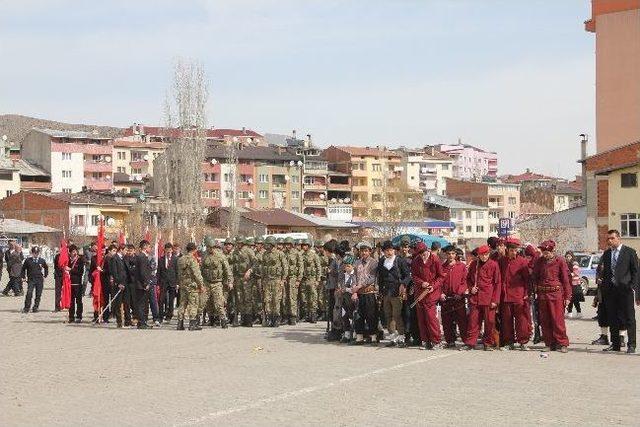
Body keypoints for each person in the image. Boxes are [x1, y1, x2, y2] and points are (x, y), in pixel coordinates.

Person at [600, 230, 638, 354]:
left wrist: (633, 288)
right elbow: (605, 273)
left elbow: (636, 272)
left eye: (612, 238)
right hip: (610, 291)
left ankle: (631, 345)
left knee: (629, 318)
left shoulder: (630, 252)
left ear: (618, 238)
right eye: (608, 239)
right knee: (612, 318)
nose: (610, 241)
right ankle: (615, 344)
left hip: (625, 290)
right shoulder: (606, 254)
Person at [531, 240, 571, 353]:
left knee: (558, 320)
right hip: (543, 295)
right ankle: (549, 343)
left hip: (556, 294)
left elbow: (566, 280)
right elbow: (534, 276)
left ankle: (562, 343)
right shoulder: (539, 261)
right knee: (545, 320)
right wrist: (535, 286)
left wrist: (567, 297)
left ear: (553, 251)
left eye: (547, 252)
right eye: (543, 252)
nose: (545, 254)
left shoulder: (560, 261)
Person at [461, 245, 501, 351]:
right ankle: (470, 343)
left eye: (486, 254)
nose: (484, 257)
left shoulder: (494, 265)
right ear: (478, 255)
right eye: (482, 255)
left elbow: (497, 284)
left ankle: (488, 343)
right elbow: (468, 279)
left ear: (489, 254)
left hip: (489, 298)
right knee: (473, 321)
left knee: (489, 322)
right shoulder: (474, 264)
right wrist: (471, 288)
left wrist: (495, 300)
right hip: (475, 298)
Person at [498, 238, 532, 351]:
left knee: (521, 320)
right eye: (512, 250)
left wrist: (526, 293)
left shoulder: (522, 262)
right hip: (505, 296)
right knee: (506, 321)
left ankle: (523, 341)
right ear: (507, 250)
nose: (514, 252)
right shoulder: (502, 261)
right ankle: (509, 342)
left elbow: (527, 280)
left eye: (515, 250)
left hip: (519, 295)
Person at [377, 240, 410, 347]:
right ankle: (393, 337)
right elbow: (380, 278)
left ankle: (401, 336)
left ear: (394, 250)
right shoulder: (382, 262)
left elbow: (408, 276)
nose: (389, 252)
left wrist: (403, 284)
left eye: (391, 250)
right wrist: (380, 291)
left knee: (397, 315)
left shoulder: (400, 261)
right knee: (388, 315)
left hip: (397, 291)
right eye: (387, 250)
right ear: (384, 252)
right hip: (386, 292)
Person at [411, 241, 444, 350]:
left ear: (428, 250)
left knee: (431, 318)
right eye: (420, 253)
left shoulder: (435, 259)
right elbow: (414, 276)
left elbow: (441, 277)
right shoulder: (416, 260)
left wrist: (433, 286)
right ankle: (425, 341)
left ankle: (436, 341)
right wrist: (422, 283)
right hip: (420, 292)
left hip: (431, 293)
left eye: (423, 252)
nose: (422, 255)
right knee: (421, 318)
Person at [200, 237, 233, 328]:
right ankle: (208, 320)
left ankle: (223, 320)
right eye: (208, 247)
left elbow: (227, 270)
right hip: (206, 282)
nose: (209, 249)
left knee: (219, 303)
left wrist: (230, 282)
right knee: (204, 302)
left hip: (217, 283)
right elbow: (201, 270)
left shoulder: (220, 256)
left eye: (211, 247)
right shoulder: (204, 255)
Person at [440, 245, 468, 348]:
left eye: (452, 254)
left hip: (458, 298)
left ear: (455, 255)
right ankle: (450, 341)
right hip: (446, 299)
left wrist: (459, 293)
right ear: (446, 255)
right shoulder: (442, 267)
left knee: (462, 320)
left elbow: (464, 282)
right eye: (448, 254)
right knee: (447, 321)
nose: (451, 256)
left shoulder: (461, 266)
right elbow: (439, 282)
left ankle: (466, 341)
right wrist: (441, 293)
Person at [352, 241, 379, 344]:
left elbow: (372, 278)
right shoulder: (357, 262)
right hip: (359, 293)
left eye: (366, 251)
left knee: (371, 315)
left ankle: (373, 337)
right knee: (359, 315)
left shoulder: (374, 263)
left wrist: (359, 286)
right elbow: (354, 277)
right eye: (362, 251)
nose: (363, 253)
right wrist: (354, 290)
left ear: (370, 251)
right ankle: (359, 336)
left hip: (369, 292)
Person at [177, 242, 205, 331]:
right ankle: (192, 324)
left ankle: (180, 324)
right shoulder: (192, 259)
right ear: (194, 249)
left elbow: (179, 273)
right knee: (193, 303)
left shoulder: (180, 259)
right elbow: (196, 274)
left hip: (183, 284)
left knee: (182, 304)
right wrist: (201, 285)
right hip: (192, 285)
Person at [21, 246, 49, 313]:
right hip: (31, 279)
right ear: (32, 253)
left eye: (37, 253)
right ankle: (26, 308)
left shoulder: (42, 260)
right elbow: (23, 269)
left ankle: (35, 307)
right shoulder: (28, 260)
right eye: (34, 252)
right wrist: (23, 277)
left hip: (39, 279)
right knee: (29, 293)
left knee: (38, 294)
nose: (36, 254)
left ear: (39, 253)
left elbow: (46, 268)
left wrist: (45, 275)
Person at [300, 239, 321, 323]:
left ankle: (313, 315)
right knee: (304, 298)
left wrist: (318, 279)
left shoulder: (314, 255)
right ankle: (307, 315)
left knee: (313, 297)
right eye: (303, 245)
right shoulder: (301, 255)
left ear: (308, 246)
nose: (303, 247)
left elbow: (318, 267)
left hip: (312, 279)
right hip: (304, 279)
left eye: (305, 245)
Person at [283, 237, 303, 325]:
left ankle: (293, 317)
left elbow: (301, 267)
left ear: (292, 244)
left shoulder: (297, 253)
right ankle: (286, 316)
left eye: (288, 244)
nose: (287, 246)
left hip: (293, 278)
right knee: (285, 298)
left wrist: (299, 279)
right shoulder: (283, 253)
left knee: (293, 298)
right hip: (285, 279)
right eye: (286, 244)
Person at [134, 240, 154, 329]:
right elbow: (143, 272)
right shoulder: (142, 257)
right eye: (149, 247)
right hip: (141, 285)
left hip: (141, 284)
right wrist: (146, 283)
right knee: (141, 304)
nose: (150, 249)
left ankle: (142, 322)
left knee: (143, 304)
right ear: (145, 247)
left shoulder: (142, 256)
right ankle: (141, 323)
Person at [108, 244, 128, 328]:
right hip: (118, 284)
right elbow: (114, 272)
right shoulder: (114, 258)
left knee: (126, 302)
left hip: (124, 283)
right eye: (125, 250)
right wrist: (119, 283)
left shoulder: (123, 258)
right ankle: (119, 322)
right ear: (121, 250)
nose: (126, 252)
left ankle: (126, 320)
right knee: (118, 303)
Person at [157, 242, 178, 322]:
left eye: (170, 250)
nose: (169, 252)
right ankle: (160, 316)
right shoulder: (161, 259)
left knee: (171, 300)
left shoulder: (175, 259)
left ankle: (169, 315)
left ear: (172, 250)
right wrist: (158, 283)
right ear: (165, 250)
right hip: (163, 282)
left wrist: (177, 283)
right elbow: (159, 271)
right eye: (167, 250)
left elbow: (177, 271)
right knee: (161, 299)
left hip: (172, 282)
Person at [67, 245, 85, 323]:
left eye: (75, 251)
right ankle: (71, 316)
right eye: (73, 252)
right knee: (71, 302)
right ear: (70, 253)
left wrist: (70, 270)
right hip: (69, 284)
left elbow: (80, 272)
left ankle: (79, 316)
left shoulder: (80, 260)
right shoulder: (67, 260)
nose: (74, 253)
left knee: (79, 301)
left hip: (78, 283)